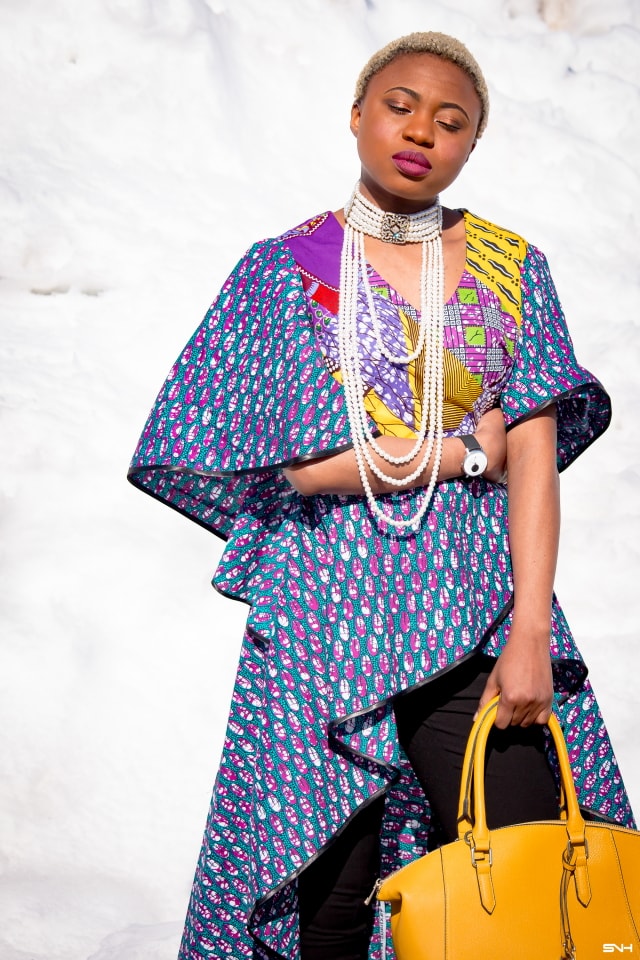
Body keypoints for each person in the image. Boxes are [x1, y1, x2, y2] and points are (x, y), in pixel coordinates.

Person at [128, 31, 635, 960]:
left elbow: (533, 453)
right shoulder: (284, 270)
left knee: (523, 874)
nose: (421, 132)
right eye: (400, 106)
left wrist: (528, 635)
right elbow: (292, 467)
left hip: (479, 610)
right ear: (358, 115)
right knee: (326, 895)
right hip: (324, 621)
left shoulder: (512, 267)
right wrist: (454, 454)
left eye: (452, 122)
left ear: (471, 147)